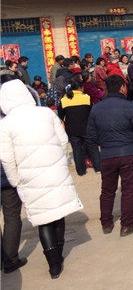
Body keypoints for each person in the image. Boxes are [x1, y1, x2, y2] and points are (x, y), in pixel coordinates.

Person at [0, 80, 83, 279]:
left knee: (43, 220)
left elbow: (7, 157)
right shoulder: (46, 113)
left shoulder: (6, 124)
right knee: (58, 213)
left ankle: (53, 266)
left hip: (28, 177)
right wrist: (57, 160)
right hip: (55, 170)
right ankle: (59, 256)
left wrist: (15, 180)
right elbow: (63, 140)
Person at [87, 75, 133, 237]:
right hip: (128, 153)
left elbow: (91, 136)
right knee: (128, 190)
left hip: (107, 154)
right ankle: (126, 224)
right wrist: (132, 144)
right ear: (122, 88)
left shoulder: (96, 108)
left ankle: (106, 223)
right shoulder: (131, 107)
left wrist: (104, 145)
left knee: (107, 190)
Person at [59, 78, 101, 175]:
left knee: (76, 150)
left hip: (72, 129)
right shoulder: (86, 98)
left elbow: (61, 115)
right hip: (86, 128)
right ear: (81, 88)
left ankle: (81, 171)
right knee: (93, 148)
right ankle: (98, 168)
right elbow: (91, 112)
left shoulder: (64, 100)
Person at [1, 162, 27, 274]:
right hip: (7, 177)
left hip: (7, 176)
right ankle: (10, 261)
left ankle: (6, 259)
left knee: (12, 218)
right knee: (12, 218)